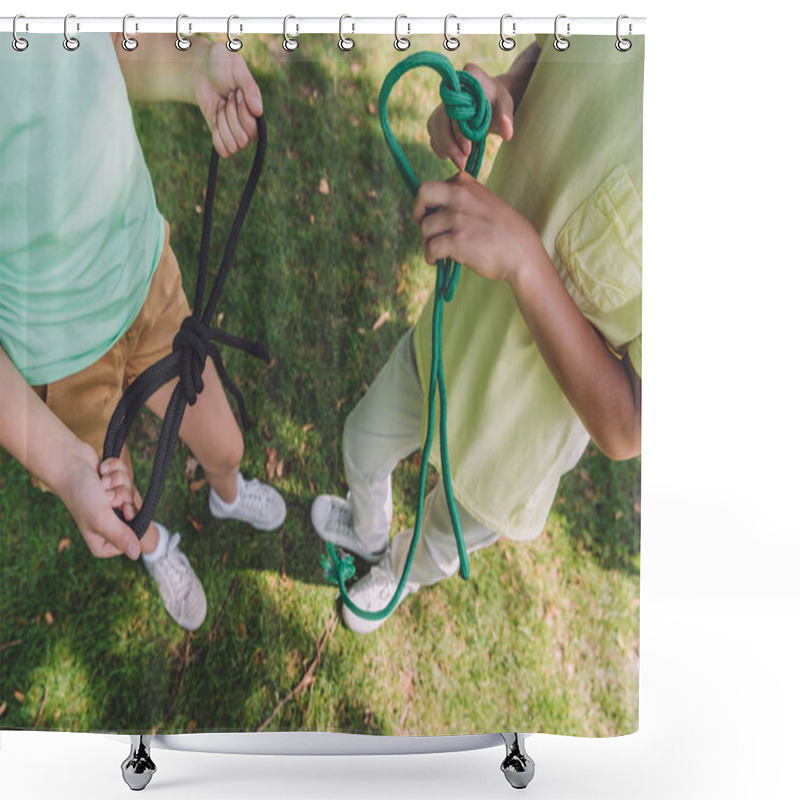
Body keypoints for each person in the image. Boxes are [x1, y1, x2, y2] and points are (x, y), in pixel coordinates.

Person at [311, 35, 643, 634]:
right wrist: (503, 96)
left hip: (512, 441)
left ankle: (398, 568)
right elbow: (551, 57)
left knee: (439, 538)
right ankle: (366, 531)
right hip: (449, 335)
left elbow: (629, 425)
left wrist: (523, 257)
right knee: (361, 442)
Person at [0, 33, 286, 631]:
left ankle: (227, 493)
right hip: (60, 357)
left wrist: (195, 69)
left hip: (147, 281)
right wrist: (58, 463)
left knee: (226, 445)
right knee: (123, 506)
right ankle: (156, 546)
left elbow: (100, 54)